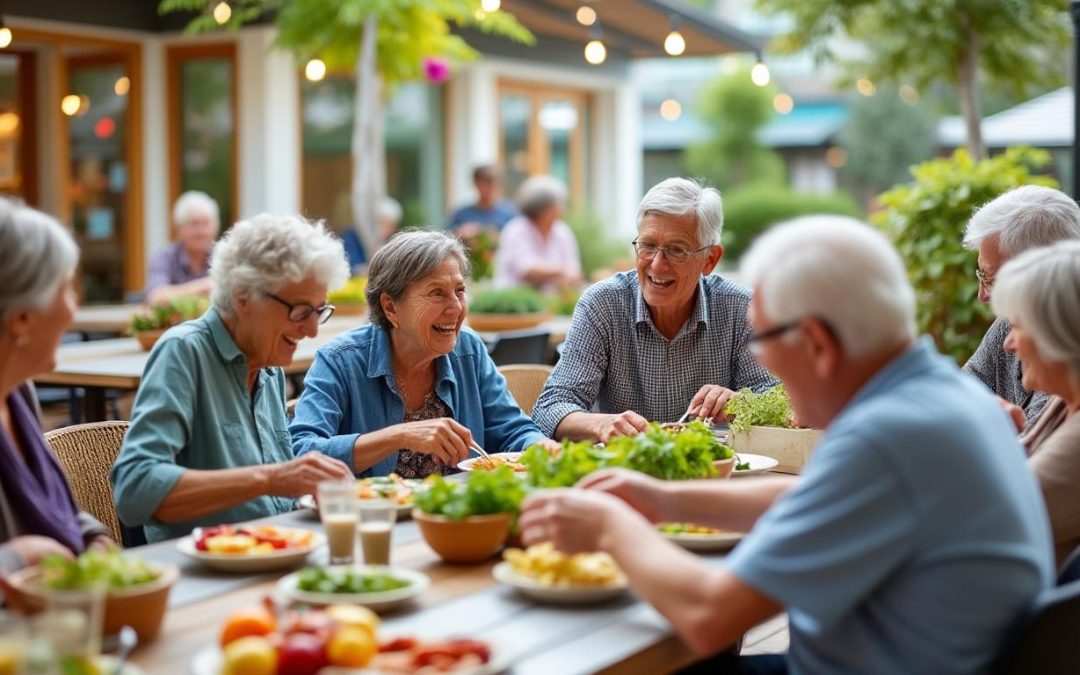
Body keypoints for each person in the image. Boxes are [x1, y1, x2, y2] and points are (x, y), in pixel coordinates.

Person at [520, 216, 1053, 674]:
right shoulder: (939, 392)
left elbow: (709, 617)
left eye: (765, 341)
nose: (764, 366)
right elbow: (815, 498)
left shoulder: (886, 437)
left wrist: (611, 527)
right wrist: (663, 498)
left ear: (818, 344)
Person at [111, 214, 353, 542]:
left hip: (277, 553)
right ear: (243, 298)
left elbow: (279, 487)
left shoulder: (267, 364)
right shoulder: (184, 352)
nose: (311, 330)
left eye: (319, 311)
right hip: (204, 574)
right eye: (300, 311)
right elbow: (135, 491)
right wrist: (270, 478)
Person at [290, 231, 556, 478]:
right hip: (373, 520)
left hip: (457, 516)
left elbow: (514, 430)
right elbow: (301, 452)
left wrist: (540, 447)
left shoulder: (469, 350)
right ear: (390, 307)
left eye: (460, 291)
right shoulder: (340, 361)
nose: (455, 307)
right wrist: (399, 436)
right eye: (436, 293)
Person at [532, 177, 774, 443]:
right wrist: (602, 424)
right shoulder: (602, 304)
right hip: (625, 472)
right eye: (647, 246)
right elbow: (550, 408)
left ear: (710, 259)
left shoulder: (740, 309)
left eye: (676, 250)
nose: (657, 265)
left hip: (715, 472)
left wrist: (739, 402)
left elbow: (781, 398)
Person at [0, 199, 113, 572]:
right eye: (65, 290)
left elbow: (53, 506)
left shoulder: (18, 392)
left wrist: (93, 537)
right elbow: (30, 547)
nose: (73, 309)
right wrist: (18, 558)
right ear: (22, 318)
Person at [991, 240, 1080, 567]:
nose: (1008, 343)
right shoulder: (1064, 401)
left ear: (1056, 333)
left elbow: (993, 521)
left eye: (1017, 326)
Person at [962, 185, 1080, 429]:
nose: (983, 295)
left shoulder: (1065, 343)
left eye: (991, 278)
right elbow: (961, 388)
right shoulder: (1010, 324)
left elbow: (1031, 453)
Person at [492, 175, 582, 292]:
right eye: (558, 204)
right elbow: (526, 270)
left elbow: (574, 271)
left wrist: (567, 275)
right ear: (543, 208)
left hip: (553, 302)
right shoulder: (516, 230)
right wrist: (562, 272)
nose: (562, 209)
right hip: (515, 302)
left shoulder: (562, 232)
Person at [145, 191, 221, 305]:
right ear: (179, 228)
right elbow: (155, 297)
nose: (201, 232)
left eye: (206, 224)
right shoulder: (164, 257)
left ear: (215, 228)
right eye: (194, 224)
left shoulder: (223, 256)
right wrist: (202, 287)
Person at [446, 164, 517, 235]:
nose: (487, 189)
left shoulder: (510, 214)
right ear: (476, 184)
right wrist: (460, 233)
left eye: (490, 183)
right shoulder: (461, 215)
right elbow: (446, 237)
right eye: (483, 184)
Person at [341, 196, 404, 275]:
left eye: (391, 226)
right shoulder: (351, 238)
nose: (388, 230)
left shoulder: (390, 242)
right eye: (384, 223)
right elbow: (352, 268)